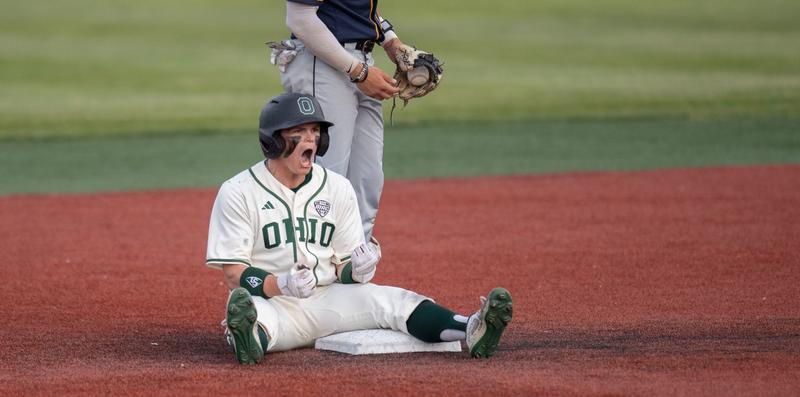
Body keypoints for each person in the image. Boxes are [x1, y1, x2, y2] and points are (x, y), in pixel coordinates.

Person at [205, 93, 513, 364]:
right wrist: (281, 284)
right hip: (273, 304)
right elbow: (234, 272)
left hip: (329, 299)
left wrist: (360, 270)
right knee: (254, 316)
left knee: (389, 300)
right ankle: (249, 340)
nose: (311, 140)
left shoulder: (337, 188)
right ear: (272, 140)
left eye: (315, 131)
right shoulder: (239, 191)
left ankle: (472, 328)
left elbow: (343, 267)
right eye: (298, 132)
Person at [270, 0, 412, 242]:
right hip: (324, 62)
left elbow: (355, 7)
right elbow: (300, 18)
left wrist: (390, 40)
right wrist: (358, 72)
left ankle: (354, 265)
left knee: (367, 178)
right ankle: (311, 265)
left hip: (361, 61)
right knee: (326, 174)